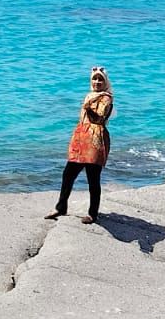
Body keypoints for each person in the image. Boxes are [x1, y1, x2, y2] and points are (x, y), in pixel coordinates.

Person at [46, 66, 114, 224]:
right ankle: (61, 207)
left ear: (105, 82)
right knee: (68, 173)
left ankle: (92, 214)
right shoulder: (89, 95)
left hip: (95, 140)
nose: (97, 82)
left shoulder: (106, 98)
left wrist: (89, 109)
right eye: (94, 79)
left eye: (100, 79)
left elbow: (100, 117)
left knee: (93, 178)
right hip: (81, 137)